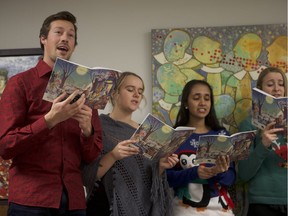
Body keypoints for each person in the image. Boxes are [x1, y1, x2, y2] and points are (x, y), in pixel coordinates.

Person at [0, 11, 103, 216]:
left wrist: (87, 131)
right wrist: (49, 120)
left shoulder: (86, 89)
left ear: (74, 45)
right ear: (43, 39)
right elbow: (5, 146)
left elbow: (92, 156)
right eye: (59, 32)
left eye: (71, 35)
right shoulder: (19, 83)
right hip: (31, 200)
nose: (65, 38)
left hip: (74, 201)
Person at [82, 71, 179, 216]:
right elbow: (87, 176)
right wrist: (113, 155)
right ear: (114, 93)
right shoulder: (97, 126)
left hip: (143, 209)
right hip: (104, 207)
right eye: (130, 89)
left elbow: (148, 181)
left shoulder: (148, 133)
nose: (137, 95)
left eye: (140, 91)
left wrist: (161, 166)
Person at [166, 79, 236, 216]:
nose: (203, 103)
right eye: (196, 98)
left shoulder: (221, 135)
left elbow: (231, 179)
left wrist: (219, 171)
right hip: (185, 208)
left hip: (220, 208)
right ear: (186, 103)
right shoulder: (175, 136)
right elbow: (166, 179)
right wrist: (195, 173)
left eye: (207, 98)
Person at [238, 67, 287, 216]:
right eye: (270, 84)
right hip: (262, 202)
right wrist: (263, 144)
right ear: (260, 90)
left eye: (281, 84)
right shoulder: (248, 124)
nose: (277, 89)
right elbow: (243, 174)